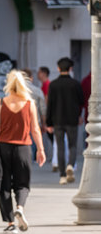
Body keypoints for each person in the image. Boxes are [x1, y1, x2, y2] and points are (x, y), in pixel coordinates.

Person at [0, 70, 46, 234]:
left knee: (4, 184)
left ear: (8, 83)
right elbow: (35, 129)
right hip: (24, 148)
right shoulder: (29, 103)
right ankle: (20, 207)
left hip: (3, 148)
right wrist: (40, 149)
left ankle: (11, 222)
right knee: (22, 183)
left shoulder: (1, 102)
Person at [46, 57, 84, 185]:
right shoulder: (75, 84)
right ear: (71, 68)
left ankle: (62, 175)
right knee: (72, 145)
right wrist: (79, 115)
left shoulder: (53, 84)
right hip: (72, 119)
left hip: (57, 120)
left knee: (60, 147)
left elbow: (49, 104)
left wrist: (48, 122)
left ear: (58, 68)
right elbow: (81, 102)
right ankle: (70, 165)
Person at [22, 69, 47, 160]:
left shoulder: (14, 91)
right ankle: (30, 161)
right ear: (31, 78)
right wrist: (44, 123)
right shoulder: (37, 90)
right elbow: (43, 109)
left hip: (19, 122)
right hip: (34, 121)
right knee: (32, 143)